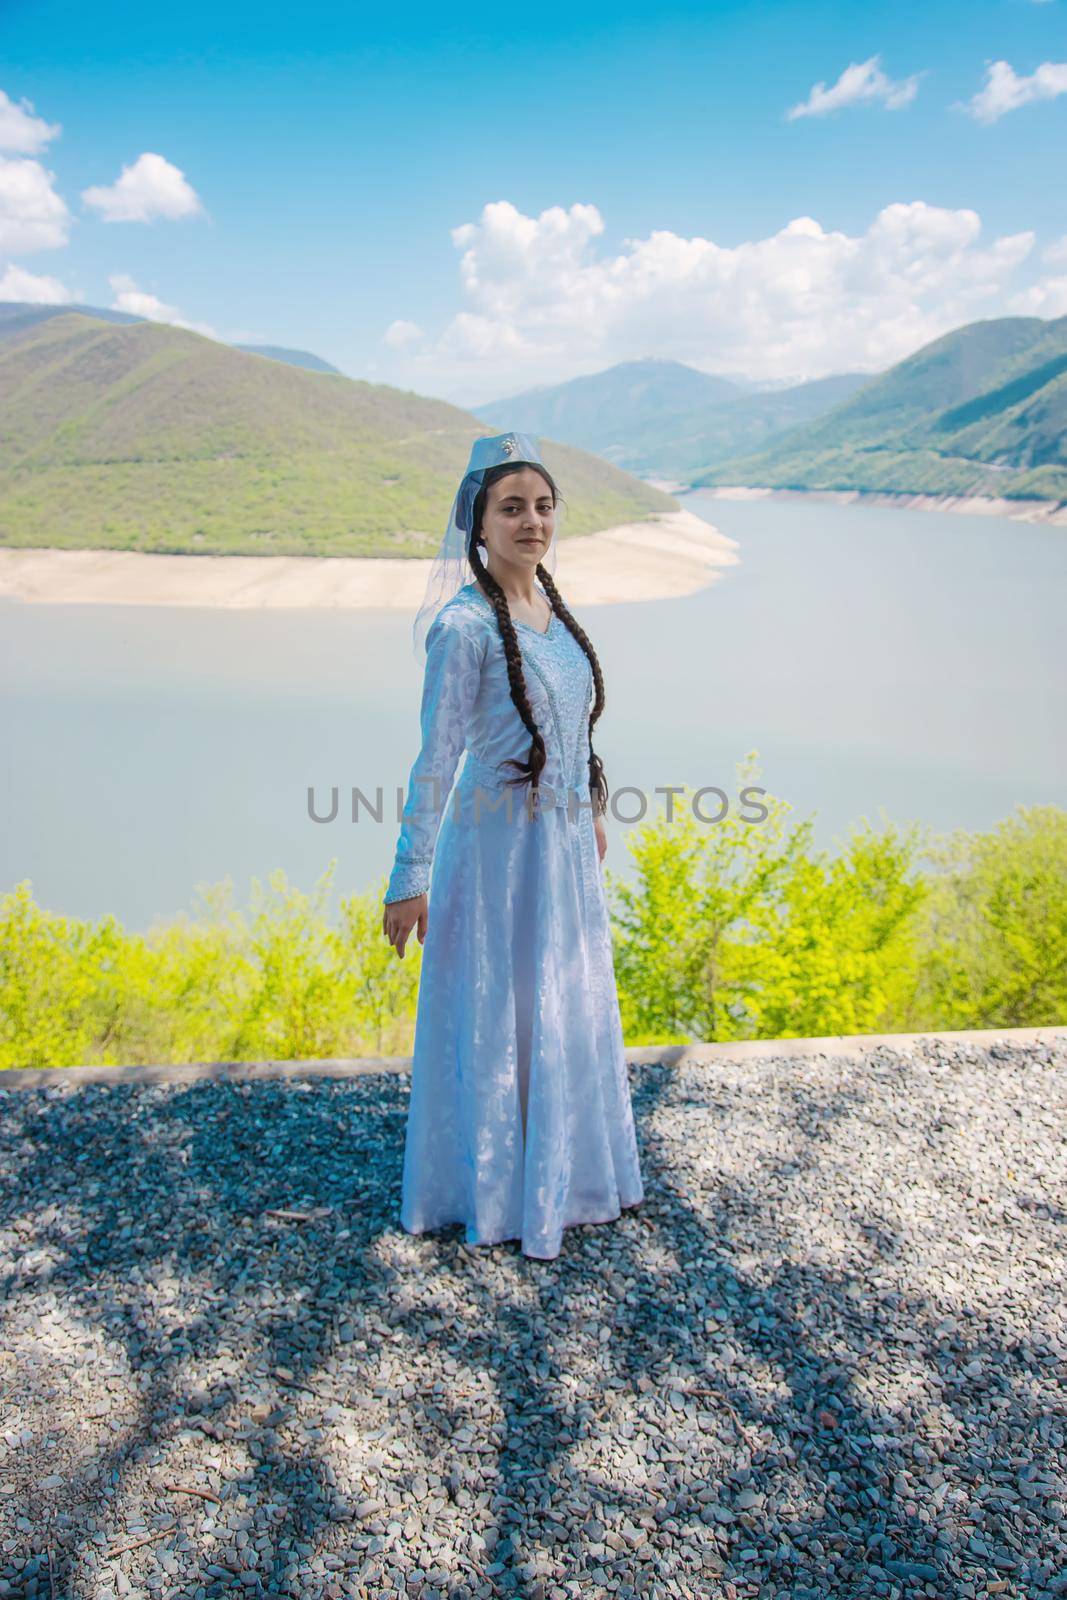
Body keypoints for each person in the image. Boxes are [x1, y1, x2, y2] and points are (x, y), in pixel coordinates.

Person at [381, 431, 644, 1259]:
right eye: (512, 508)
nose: (532, 521)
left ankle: (563, 1171)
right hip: (495, 856)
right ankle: (492, 1186)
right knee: (500, 1005)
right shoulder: (462, 629)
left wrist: (589, 807)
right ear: (479, 524)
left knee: (558, 997)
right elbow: (437, 759)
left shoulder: (551, 613)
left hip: (559, 848)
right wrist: (408, 876)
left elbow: (568, 726)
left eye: (542, 506)